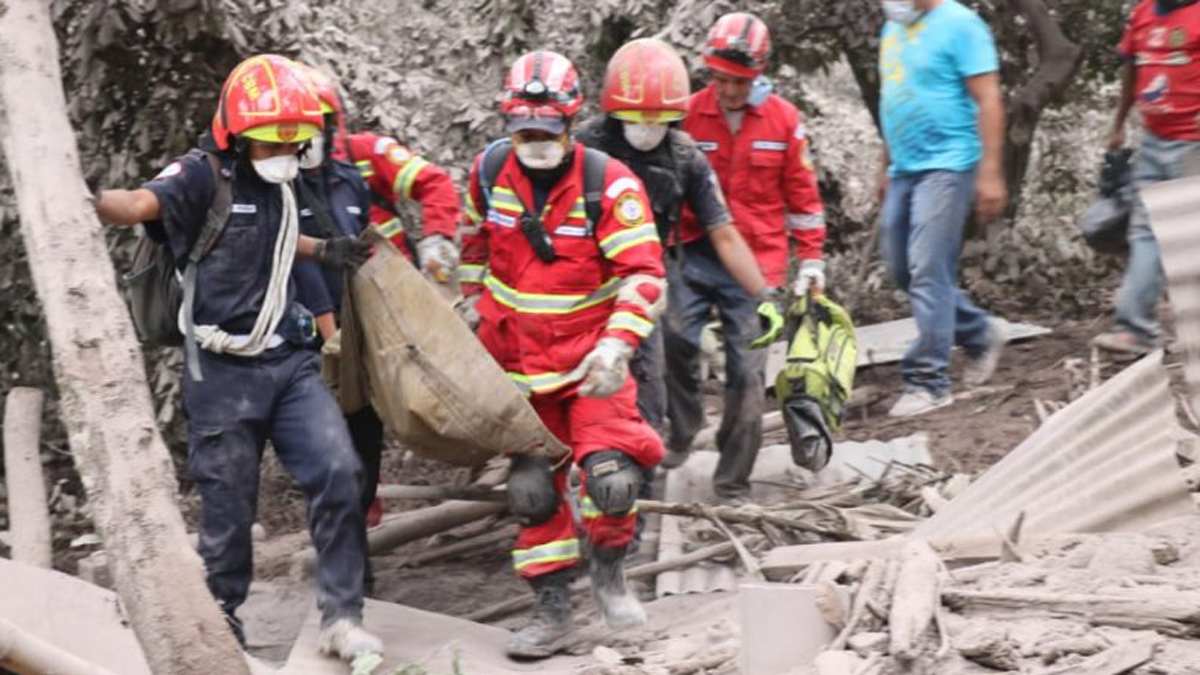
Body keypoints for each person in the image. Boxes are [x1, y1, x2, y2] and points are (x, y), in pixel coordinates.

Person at [94, 54, 381, 662]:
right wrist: (85, 195)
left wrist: (329, 251)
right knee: (228, 507)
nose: (285, 151)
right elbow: (137, 206)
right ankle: (222, 620)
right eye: (272, 141)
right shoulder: (201, 176)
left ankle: (342, 614)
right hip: (222, 370)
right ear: (236, 133)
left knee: (339, 470)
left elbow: (273, 237)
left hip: (288, 361)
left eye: (294, 142)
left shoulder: (282, 179)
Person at [458, 50, 666, 659]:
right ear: (508, 124)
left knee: (612, 482)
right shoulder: (489, 172)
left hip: (590, 367)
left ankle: (609, 571)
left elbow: (643, 276)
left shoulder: (610, 185)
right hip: (518, 368)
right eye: (524, 131)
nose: (536, 142)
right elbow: (474, 244)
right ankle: (551, 610)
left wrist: (616, 345)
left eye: (547, 132)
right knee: (530, 492)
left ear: (571, 124)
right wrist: (469, 298)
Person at [664, 12, 826, 502]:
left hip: (759, 264)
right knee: (670, 335)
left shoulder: (783, 121)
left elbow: (803, 198)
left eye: (738, 82)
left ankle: (732, 481)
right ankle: (684, 426)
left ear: (757, 76)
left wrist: (812, 261)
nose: (728, 91)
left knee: (748, 376)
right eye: (720, 80)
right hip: (694, 252)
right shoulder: (687, 116)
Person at [876, 0, 1009, 417]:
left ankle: (929, 381)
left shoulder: (961, 25)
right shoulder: (893, 29)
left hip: (948, 164)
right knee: (901, 266)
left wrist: (990, 172)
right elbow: (895, 96)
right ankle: (980, 330)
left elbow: (988, 99)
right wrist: (883, 164)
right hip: (904, 168)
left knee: (927, 267)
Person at [289, 64, 387, 594]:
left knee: (366, 458)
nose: (311, 135)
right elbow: (298, 266)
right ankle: (345, 577)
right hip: (305, 347)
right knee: (332, 464)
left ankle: (356, 561)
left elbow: (365, 254)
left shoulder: (350, 182)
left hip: (357, 343)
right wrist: (327, 330)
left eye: (320, 122)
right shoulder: (276, 187)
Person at [1093, 0, 1200, 356]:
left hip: (1193, 144)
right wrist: (1119, 123)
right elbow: (1132, 68)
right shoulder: (1143, 13)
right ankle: (1136, 329)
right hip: (1155, 140)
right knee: (1146, 231)